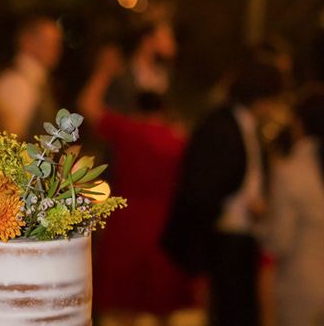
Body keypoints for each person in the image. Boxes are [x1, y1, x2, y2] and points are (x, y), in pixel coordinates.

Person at [162, 60, 285, 326]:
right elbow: (203, 186)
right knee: (227, 311)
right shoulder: (220, 126)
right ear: (261, 97)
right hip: (219, 236)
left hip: (242, 236)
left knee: (241, 310)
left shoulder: (247, 127)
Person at [79, 53, 192, 325]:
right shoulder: (178, 140)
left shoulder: (128, 131)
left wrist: (103, 72)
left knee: (123, 306)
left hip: (127, 223)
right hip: (165, 226)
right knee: (163, 305)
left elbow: (87, 105)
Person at [264, 89, 324, 326]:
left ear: (299, 124)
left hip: (302, 286)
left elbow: (280, 240)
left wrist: (262, 219)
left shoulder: (290, 173)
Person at [0, 14, 63, 140]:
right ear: (26, 41)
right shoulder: (16, 83)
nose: (55, 49)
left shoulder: (36, 81)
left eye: (57, 43)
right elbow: (7, 139)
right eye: (47, 42)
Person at [104, 20, 177, 114]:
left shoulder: (165, 75)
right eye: (165, 37)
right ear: (147, 40)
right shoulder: (122, 72)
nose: (171, 43)